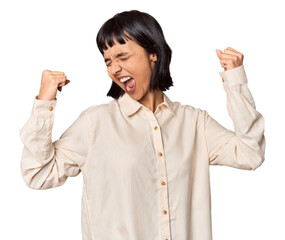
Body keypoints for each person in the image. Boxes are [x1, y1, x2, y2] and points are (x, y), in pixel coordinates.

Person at [19, 10, 265, 240]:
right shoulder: (95, 123)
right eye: (107, 61)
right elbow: (38, 173)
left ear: (153, 53)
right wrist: (44, 101)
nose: (114, 68)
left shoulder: (194, 123)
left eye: (122, 56)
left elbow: (250, 154)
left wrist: (235, 81)